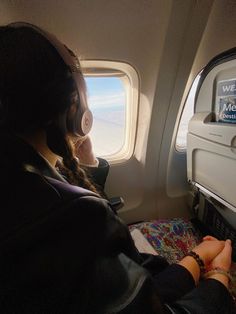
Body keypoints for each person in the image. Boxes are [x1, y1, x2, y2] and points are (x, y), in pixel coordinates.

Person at [0, 22, 235, 314]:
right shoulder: (71, 217)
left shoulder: (22, 183)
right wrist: (218, 281)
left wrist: (196, 258)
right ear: (74, 105)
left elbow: (133, 292)